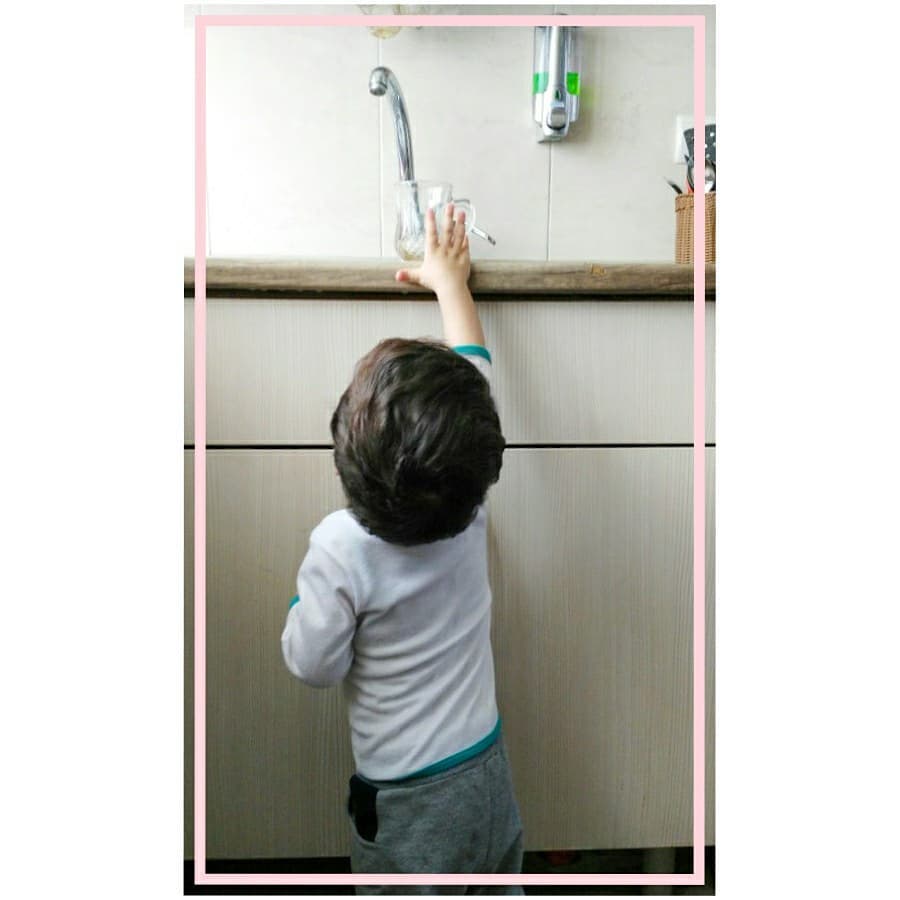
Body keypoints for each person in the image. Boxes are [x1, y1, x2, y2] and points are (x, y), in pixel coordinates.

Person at [281, 203, 524, 894]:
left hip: (408, 804)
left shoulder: (338, 547)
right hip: (486, 771)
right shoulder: (468, 502)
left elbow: (313, 664)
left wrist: (306, 603)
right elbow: (473, 371)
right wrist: (451, 284)